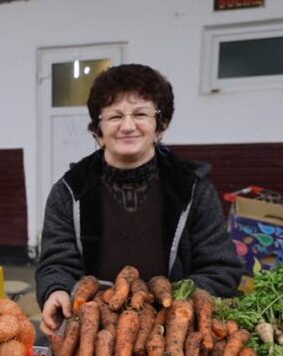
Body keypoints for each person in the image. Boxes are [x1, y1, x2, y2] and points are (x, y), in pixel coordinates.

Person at [35, 64, 242, 337]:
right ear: (98, 129)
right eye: (115, 116)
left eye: (141, 114)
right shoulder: (69, 191)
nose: (128, 126)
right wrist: (56, 290)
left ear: (160, 126)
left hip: (171, 333)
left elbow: (220, 268)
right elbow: (56, 263)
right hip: (91, 332)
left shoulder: (192, 190)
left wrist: (170, 305)